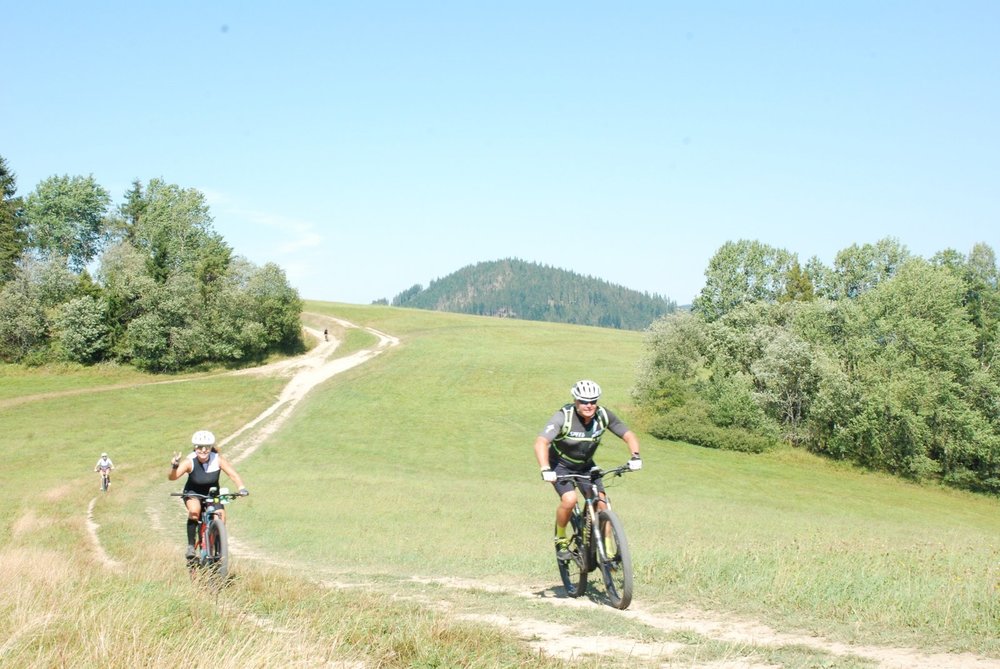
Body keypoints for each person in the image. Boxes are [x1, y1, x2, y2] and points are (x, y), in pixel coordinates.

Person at [533, 379, 642, 558]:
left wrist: (635, 456)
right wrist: (545, 469)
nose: (589, 405)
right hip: (560, 465)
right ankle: (560, 538)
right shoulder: (564, 417)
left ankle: (607, 550)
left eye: (593, 401)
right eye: (583, 401)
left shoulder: (603, 415)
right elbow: (541, 442)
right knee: (569, 500)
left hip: (586, 466)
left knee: (603, 504)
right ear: (575, 400)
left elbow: (628, 434)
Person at [168, 430, 248, 559]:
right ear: (195, 447)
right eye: (200, 447)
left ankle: (218, 549)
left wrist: (241, 488)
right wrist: (174, 466)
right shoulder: (190, 461)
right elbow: (173, 477)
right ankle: (191, 546)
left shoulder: (218, 459)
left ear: (211, 447)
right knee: (195, 511)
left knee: (221, 517)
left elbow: (233, 474)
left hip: (213, 494)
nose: (203, 450)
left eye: (207, 447)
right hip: (193, 493)